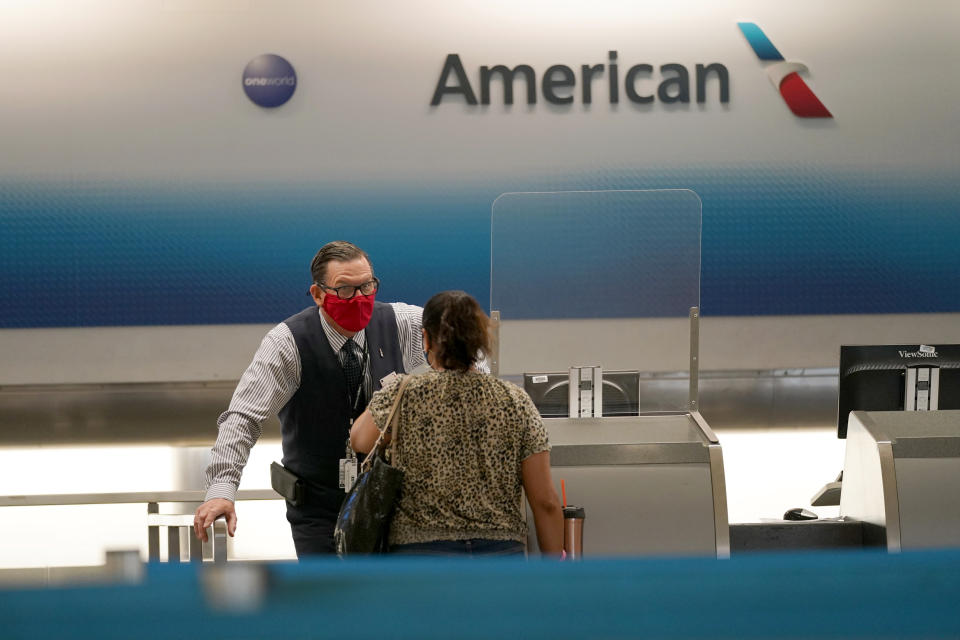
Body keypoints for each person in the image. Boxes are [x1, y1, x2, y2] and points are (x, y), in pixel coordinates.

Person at [193, 240, 428, 556]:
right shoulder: (287, 343)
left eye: (367, 286)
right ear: (318, 294)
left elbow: (465, 344)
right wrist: (221, 490)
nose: (360, 298)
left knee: (390, 601)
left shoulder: (400, 322)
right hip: (318, 509)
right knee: (330, 600)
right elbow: (243, 418)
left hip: (391, 501)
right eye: (345, 290)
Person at [351, 290, 564, 556]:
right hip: (500, 556)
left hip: (421, 559)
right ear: (480, 340)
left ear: (425, 339)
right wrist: (557, 574)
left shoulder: (405, 393)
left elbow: (359, 439)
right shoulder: (515, 400)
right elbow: (545, 502)